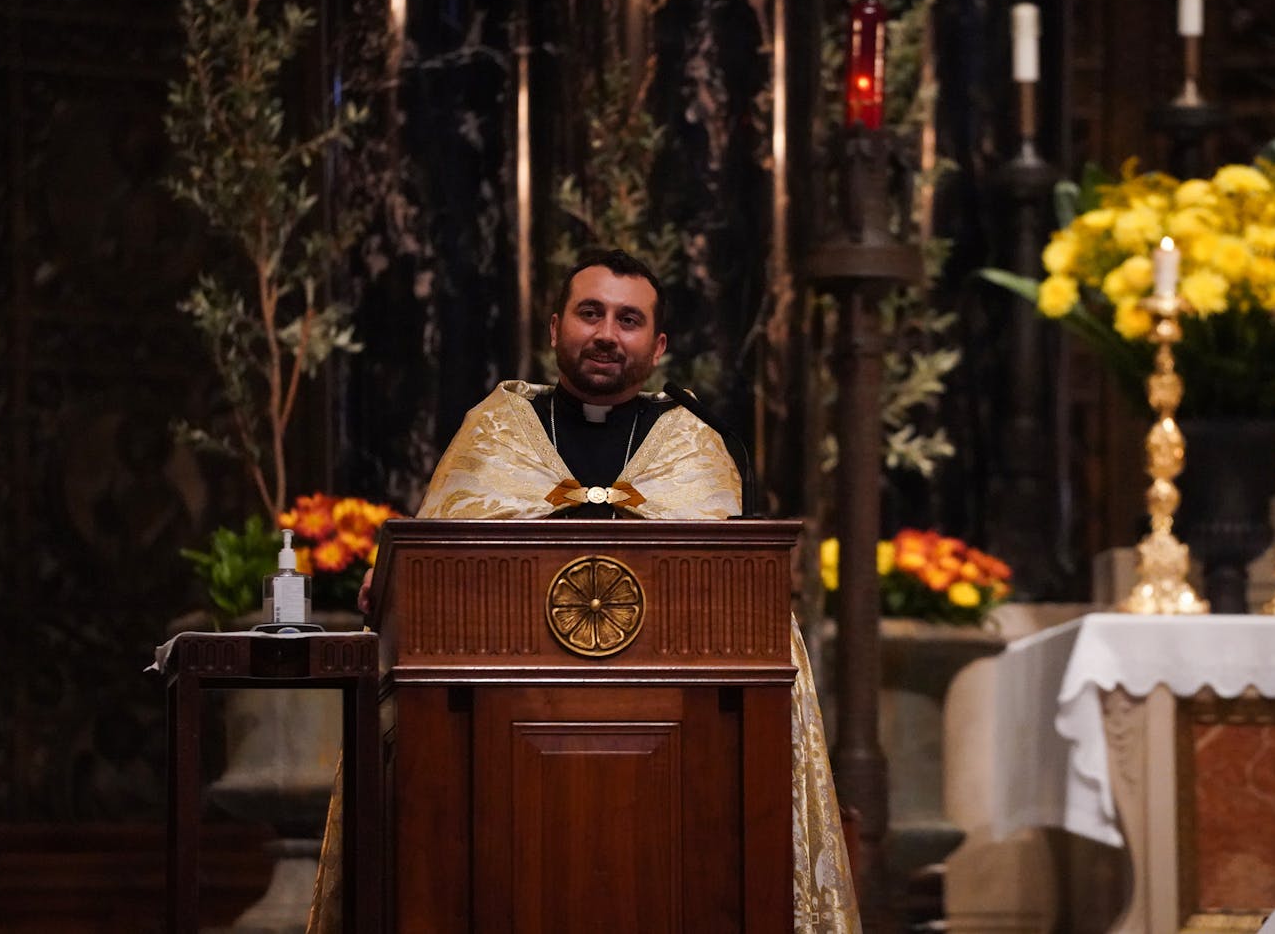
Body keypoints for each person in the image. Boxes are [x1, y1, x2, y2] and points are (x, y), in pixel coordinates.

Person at [307, 248, 860, 933]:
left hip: (674, 755)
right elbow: (441, 552)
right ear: (554, 327)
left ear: (657, 347)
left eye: (629, 320)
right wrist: (399, 587)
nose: (606, 333)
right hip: (500, 750)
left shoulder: (697, 445)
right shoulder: (496, 433)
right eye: (589, 313)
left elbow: (734, 592)